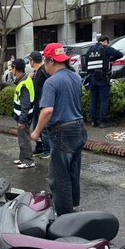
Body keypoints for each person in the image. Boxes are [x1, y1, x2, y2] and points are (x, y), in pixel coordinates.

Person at [31, 43, 87, 216]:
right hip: (79, 128)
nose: (45, 67)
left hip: (62, 131)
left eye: (46, 63)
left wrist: (36, 132)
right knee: (73, 170)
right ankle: (73, 205)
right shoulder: (75, 77)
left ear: (51, 61)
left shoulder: (52, 81)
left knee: (59, 175)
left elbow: (47, 110)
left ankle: (64, 216)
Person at [85, 35, 123, 128]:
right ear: (105, 41)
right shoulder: (106, 49)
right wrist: (110, 59)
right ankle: (103, 122)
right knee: (104, 100)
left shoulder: (90, 50)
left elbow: (86, 63)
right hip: (102, 78)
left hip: (92, 78)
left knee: (93, 100)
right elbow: (120, 54)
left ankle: (94, 121)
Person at [10, 58, 36, 169]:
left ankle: (29, 161)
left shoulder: (24, 83)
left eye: (12, 68)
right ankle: (23, 158)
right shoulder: (25, 79)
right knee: (22, 138)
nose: (11, 71)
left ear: (15, 69)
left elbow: (25, 105)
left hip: (24, 117)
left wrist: (22, 120)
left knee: (24, 139)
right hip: (23, 116)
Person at [28, 51, 50, 158]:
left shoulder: (43, 71)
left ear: (32, 61)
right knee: (37, 127)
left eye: (30, 60)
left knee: (44, 128)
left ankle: (47, 150)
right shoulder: (36, 72)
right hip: (36, 104)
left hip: (43, 104)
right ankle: (39, 147)